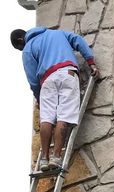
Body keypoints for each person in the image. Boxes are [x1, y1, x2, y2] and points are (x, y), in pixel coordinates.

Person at [10, 27, 100, 172]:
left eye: (20, 47)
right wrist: (90, 62)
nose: (22, 49)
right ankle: (56, 157)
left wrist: (39, 98)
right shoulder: (56, 33)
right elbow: (78, 40)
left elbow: (33, 79)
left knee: (46, 119)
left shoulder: (28, 48)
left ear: (20, 40)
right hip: (67, 74)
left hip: (47, 81)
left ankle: (44, 159)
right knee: (63, 117)